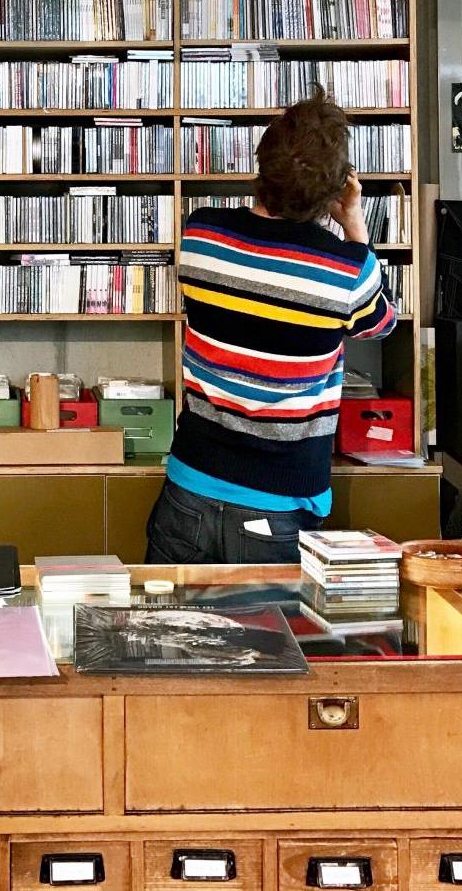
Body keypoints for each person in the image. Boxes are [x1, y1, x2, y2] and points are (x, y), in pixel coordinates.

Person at [144, 88, 396, 566]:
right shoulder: (348, 271)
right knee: (270, 641)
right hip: (279, 505)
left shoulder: (201, 235)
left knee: (164, 638)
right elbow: (378, 324)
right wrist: (354, 227)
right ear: (336, 189)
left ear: (261, 165)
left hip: (188, 486)